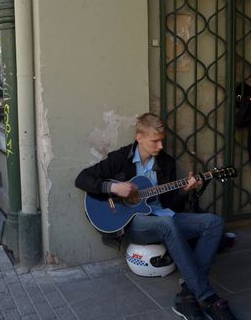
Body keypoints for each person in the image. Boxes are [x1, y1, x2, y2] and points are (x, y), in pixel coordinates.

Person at [75, 113, 237, 320]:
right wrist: (114, 187)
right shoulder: (120, 158)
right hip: (133, 224)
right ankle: (207, 297)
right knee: (166, 223)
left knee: (214, 223)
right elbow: (82, 178)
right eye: (155, 141)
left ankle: (187, 294)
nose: (160, 146)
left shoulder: (166, 163)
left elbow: (170, 204)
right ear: (139, 137)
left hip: (163, 217)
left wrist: (184, 191)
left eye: (162, 140)